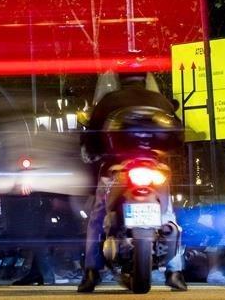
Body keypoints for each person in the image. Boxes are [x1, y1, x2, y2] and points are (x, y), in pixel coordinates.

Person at [77, 73, 186, 293]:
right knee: (167, 213)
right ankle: (175, 272)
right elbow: (178, 133)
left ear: (120, 80)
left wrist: (92, 151)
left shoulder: (109, 101)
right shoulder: (160, 102)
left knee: (98, 216)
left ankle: (91, 272)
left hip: (118, 168)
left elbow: (92, 135)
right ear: (144, 81)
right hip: (155, 168)